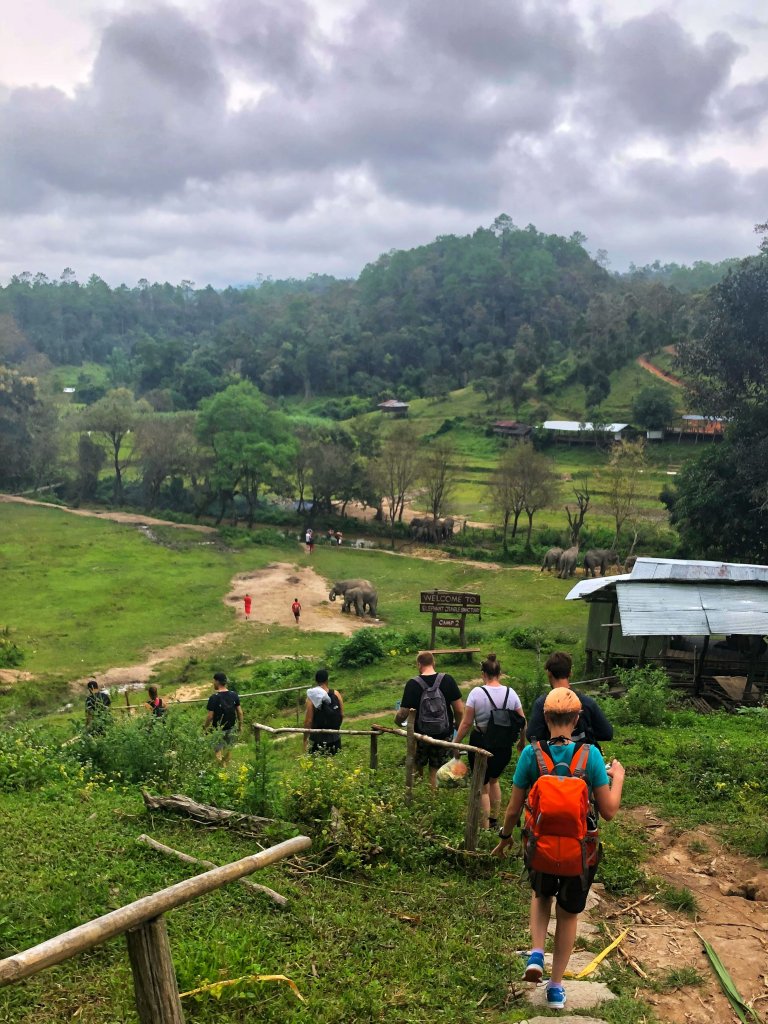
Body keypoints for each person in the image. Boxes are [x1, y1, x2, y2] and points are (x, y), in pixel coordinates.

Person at [493, 688, 625, 1012]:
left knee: (540, 898)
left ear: (546, 719)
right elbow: (608, 811)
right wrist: (617, 777)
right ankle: (555, 988)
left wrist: (505, 836)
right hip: (580, 853)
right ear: (577, 719)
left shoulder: (530, 755)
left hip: (539, 847)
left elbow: (512, 808)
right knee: (567, 915)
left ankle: (536, 951)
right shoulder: (590, 755)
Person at [454, 653, 526, 829]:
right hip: (504, 746)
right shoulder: (511, 693)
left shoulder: (477, 693)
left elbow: (467, 723)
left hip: (481, 742)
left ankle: (485, 827)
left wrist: (456, 742)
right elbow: (523, 722)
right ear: (499, 673)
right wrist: (521, 742)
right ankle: (494, 820)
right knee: (494, 780)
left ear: (483, 674)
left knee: (483, 785)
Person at [395, 652, 464, 790]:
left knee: (417, 764)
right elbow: (459, 710)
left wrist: (397, 722)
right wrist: (457, 725)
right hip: (443, 734)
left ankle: (417, 795)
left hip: (420, 736)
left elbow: (403, 713)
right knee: (435, 768)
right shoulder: (448, 680)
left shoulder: (413, 684)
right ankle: (432, 800)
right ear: (434, 663)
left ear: (419, 665)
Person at [526, 651, 613, 751]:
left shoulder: (542, 704)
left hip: (551, 762)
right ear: (570, 672)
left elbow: (532, 736)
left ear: (549, 673)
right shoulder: (587, 702)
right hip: (583, 762)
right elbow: (607, 733)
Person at [204, 672, 243, 763]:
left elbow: (210, 716)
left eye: (213, 681)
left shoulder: (214, 698)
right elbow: (240, 712)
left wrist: (205, 728)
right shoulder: (234, 694)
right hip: (231, 727)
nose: (213, 683)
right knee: (228, 749)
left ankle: (222, 771)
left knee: (218, 751)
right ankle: (226, 770)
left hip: (218, 729)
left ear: (217, 681)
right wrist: (240, 726)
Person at [303, 669, 344, 755]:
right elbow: (341, 714)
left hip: (317, 739)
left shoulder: (312, 697)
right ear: (327, 680)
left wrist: (305, 739)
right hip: (335, 738)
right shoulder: (336, 694)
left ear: (316, 681)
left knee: (317, 766)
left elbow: (309, 721)